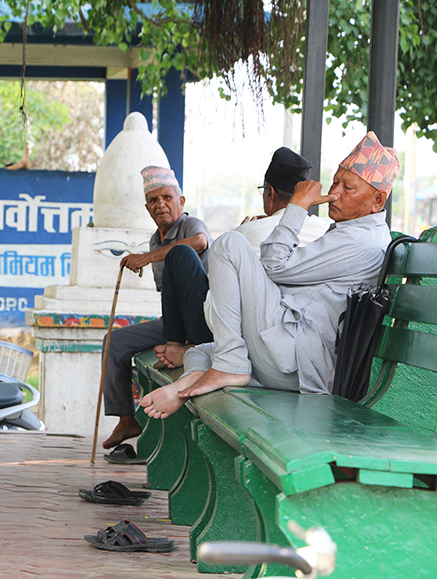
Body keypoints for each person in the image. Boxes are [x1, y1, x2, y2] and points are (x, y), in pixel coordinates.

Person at [142, 131, 397, 419]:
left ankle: (227, 365)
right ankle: (188, 384)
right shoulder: (352, 232)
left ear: (378, 200)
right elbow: (279, 273)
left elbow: (274, 266)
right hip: (289, 356)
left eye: (348, 188)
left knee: (229, 244)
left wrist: (297, 208)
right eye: (335, 182)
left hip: (296, 361)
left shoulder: (359, 241)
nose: (334, 193)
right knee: (197, 353)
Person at [153, 147, 332, 369]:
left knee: (180, 254)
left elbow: (214, 305)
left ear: (270, 193)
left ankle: (175, 345)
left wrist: (239, 232)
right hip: (305, 342)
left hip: (243, 338)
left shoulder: (246, 234)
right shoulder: (326, 230)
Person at [101, 166, 212, 450]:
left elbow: (200, 242)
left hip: (202, 320)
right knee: (113, 341)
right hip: (174, 322)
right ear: (148, 207)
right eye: (153, 200)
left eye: (167, 197)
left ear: (181, 202)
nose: (160, 204)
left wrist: (147, 258)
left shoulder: (189, 225)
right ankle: (126, 418)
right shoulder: (154, 238)